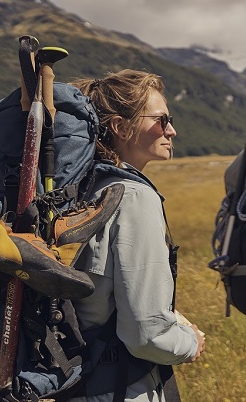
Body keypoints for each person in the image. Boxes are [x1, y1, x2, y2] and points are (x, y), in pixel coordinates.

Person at [69, 69, 205, 401]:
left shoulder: (87, 189)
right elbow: (145, 335)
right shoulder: (133, 197)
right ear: (120, 127)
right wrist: (190, 342)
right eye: (161, 120)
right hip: (119, 386)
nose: (171, 130)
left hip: (78, 383)